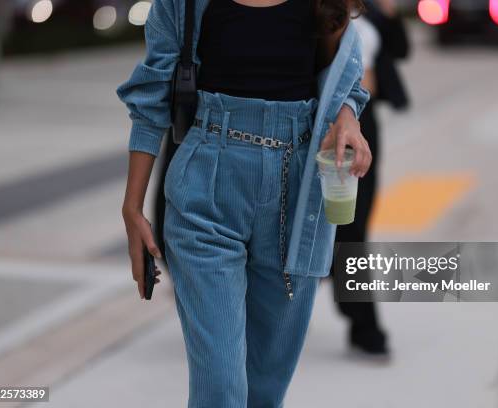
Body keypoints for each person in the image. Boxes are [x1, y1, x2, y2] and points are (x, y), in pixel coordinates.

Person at [116, 0, 372, 406]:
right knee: (221, 388)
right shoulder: (182, 3)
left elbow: (344, 79)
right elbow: (151, 99)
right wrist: (132, 208)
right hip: (205, 190)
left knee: (265, 392)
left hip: (298, 196)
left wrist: (347, 117)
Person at [332, 0, 410, 356]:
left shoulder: (372, 12)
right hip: (324, 128)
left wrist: (391, 12)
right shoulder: (313, 11)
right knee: (337, 226)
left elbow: (401, 50)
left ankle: (359, 317)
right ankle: (362, 320)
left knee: (355, 225)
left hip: (366, 128)